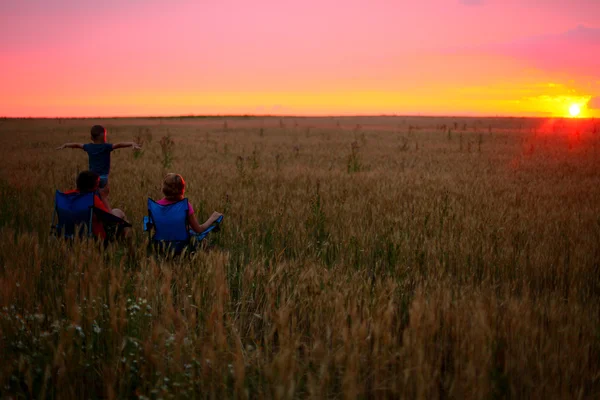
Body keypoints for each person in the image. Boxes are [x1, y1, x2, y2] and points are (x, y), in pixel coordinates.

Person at [56, 125, 141, 188]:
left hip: (92, 178)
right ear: (104, 137)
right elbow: (118, 145)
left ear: (91, 138)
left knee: (94, 197)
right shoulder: (106, 147)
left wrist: (66, 145)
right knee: (103, 196)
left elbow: (77, 145)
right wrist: (131, 143)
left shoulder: (88, 147)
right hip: (103, 177)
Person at [64, 170, 131, 241]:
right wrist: (103, 197)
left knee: (116, 211)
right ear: (94, 186)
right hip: (94, 237)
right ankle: (129, 245)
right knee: (119, 212)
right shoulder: (92, 200)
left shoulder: (66, 196)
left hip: (68, 234)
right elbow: (111, 220)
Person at [158, 173, 222, 234]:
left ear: (164, 188)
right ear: (182, 189)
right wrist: (212, 218)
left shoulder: (157, 205)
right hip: (180, 244)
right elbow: (198, 230)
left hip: (160, 243)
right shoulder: (185, 206)